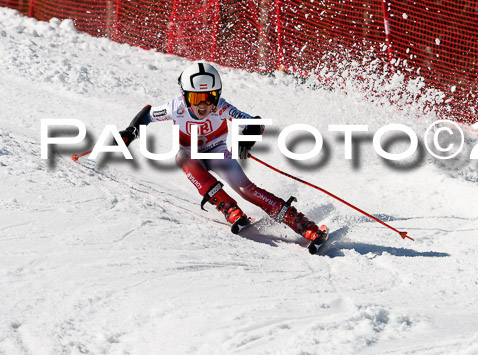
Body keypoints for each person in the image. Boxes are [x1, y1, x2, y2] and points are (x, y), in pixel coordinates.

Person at [118, 61, 327, 252]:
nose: (203, 105)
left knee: (247, 190)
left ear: (217, 95)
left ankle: (303, 225)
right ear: (184, 96)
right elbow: (147, 114)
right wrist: (131, 131)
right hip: (192, 154)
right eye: (195, 98)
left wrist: (247, 139)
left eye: (209, 97)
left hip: (217, 151)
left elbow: (255, 123)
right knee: (183, 158)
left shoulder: (221, 107)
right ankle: (229, 208)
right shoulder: (176, 108)